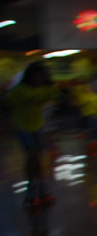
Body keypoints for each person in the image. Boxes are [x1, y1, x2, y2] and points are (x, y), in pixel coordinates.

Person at [4, 61, 61, 207]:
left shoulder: (45, 90)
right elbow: (6, 102)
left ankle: (40, 183)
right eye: (38, 76)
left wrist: (51, 84)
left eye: (43, 76)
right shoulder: (20, 90)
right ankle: (32, 186)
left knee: (38, 156)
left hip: (37, 126)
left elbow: (55, 96)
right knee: (32, 152)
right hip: (21, 126)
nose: (40, 79)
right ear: (30, 76)